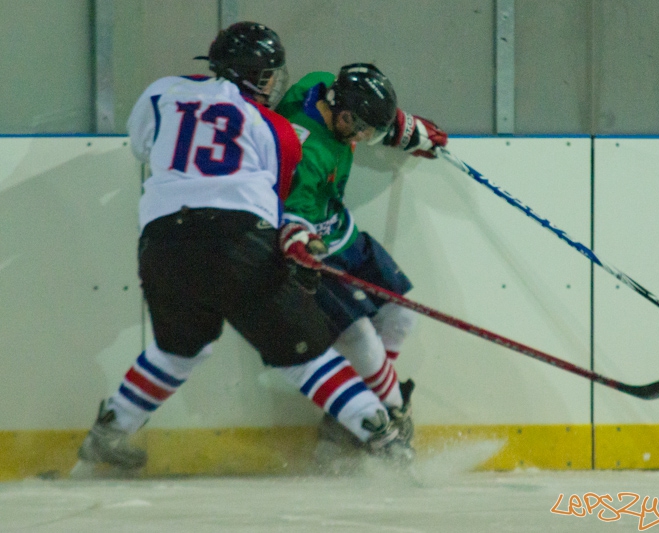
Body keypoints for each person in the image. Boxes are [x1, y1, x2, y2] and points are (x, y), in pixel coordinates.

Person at [74, 23, 410, 475]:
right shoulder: (274, 128)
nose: (275, 83)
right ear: (252, 76)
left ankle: (107, 437)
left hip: (161, 243)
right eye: (269, 74)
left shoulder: (161, 92)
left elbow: (142, 147)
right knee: (306, 356)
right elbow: (271, 199)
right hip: (236, 242)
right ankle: (385, 441)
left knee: (178, 348)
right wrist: (297, 242)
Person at [275, 63, 448, 465]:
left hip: (342, 233)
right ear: (344, 114)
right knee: (360, 337)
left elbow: (361, 108)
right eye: (362, 129)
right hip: (309, 249)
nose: (364, 138)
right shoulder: (307, 152)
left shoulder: (321, 85)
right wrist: (300, 243)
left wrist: (402, 129)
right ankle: (389, 419)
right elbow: (290, 216)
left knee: (401, 315)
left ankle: (352, 418)